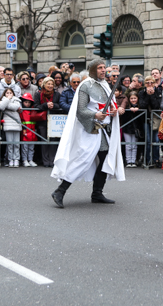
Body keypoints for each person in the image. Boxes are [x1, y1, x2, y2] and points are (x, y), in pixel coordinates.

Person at [50, 59, 125, 208]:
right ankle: (60, 191)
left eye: (104, 68)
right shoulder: (85, 85)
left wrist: (116, 110)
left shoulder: (105, 85)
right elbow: (80, 109)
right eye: (100, 68)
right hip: (89, 129)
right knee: (82, 160)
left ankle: (97, 193)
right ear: (92, 70)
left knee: (105, 160)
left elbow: (110, 106)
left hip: (102, 130)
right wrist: (95, 115)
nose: (103, 70)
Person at [32, 77, 61, 167]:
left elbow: (60, 105)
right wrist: (45, 105)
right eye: (48, 84)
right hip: (42, 120)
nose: (50, 86)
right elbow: (36, 105)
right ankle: (45, 161)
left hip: (53, 120)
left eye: (52, 84)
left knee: (53, 141)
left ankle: (52, 160)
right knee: (44, 140)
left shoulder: (57, 94)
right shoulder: (38, 94)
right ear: (44, 84)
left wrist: (53, 105)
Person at [138, 76, 162, 167]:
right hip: (146, 119)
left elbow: (156, 106)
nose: (150, 84)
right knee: (148, 140)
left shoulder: (158, 92)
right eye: (147, 83)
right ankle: (148, 159)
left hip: (155, 119)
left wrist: (152, 95)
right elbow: (143, 105)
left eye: (151, 82)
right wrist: (148, 95)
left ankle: (156, 159)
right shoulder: (141, 93)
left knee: (156, 140)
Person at [0, 87, 22, 167]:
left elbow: (16, 107)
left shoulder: (16, 99)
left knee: (16, 143)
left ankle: (16, 159)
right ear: (4, 94)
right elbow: (1, 107)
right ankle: (10, 159)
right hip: (7, 123)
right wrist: (7, 100)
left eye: (10, 93)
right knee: (10, 143)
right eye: (7, 93)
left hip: (16, 122)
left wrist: (6, 104)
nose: (9, 94)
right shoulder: (2, 100)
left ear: (13, 94)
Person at [121, 91, 141, 168]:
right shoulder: (126, 107)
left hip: (136, 128)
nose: (133, 100)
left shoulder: (140, 107)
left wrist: (137, 110)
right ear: (129, 99)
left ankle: (134, 160)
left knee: (134, 145)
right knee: (128, 145)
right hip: (127, 127)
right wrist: (129, 110)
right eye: (131, 98)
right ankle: (129, 161)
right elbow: (124, 118)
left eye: (135, 98)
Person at [19, 93, 38, 167]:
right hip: (25, 132)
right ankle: (24, 160)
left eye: (29, 102)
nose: (27, 104)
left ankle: (30, 160)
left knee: (31, 148)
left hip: (32, 132)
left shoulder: (33, 110)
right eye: (25, 102)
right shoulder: (21, 111)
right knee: (25, 148)